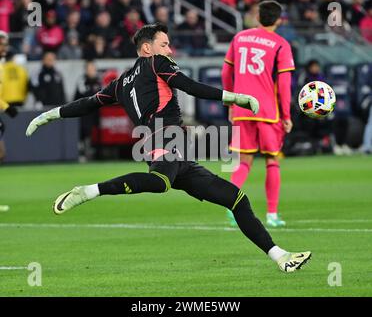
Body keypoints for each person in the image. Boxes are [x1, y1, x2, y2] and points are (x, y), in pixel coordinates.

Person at [26, 23, 311, 273]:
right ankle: (89, 191)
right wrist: (236, 97)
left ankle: (280, 256)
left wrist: (49, 115)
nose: (170, 50)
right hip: (164, 139)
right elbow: (190, 86)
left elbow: (87, 103)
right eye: (165, 44)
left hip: (177, 152)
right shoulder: (156, 63)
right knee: (160, 182)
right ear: (147, 48)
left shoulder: (120, 83)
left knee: (237, 199)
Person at [222, 0, 295, 227]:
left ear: (258, 17)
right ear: (279, 20)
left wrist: (231, 104)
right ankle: (272, 215)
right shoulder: (281, 44)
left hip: (242, 108)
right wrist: (286, 116)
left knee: (244, 161)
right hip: (267, 111)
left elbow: (226, 72)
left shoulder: (239, 38)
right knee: (272, 160)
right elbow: (284, 85)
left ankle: (232, 209)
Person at [0, 30, 17, 212]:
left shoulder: (2, 64)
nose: (4, 47)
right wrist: (6, 107)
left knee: (1, 153)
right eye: (1, 44)